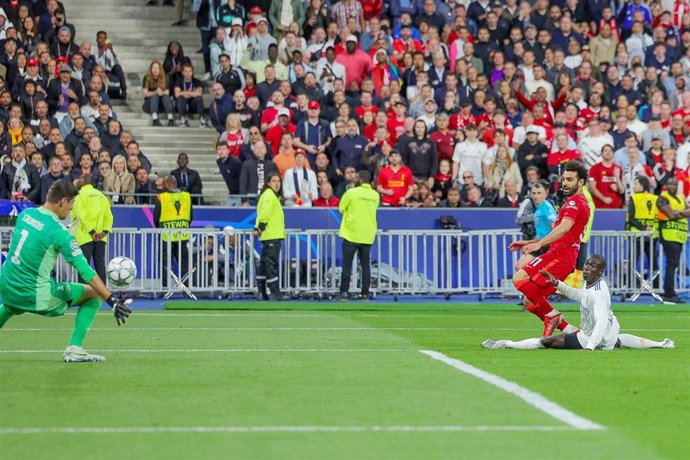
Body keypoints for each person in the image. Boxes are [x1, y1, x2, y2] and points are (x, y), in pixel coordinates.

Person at [0, 180, 131, 362]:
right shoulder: (61, 234)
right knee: (94, 293)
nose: (70, 211)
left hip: (5, 288)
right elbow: (86, 272)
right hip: (35, 295)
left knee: (11, 304)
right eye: (70, 205)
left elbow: (38, 237)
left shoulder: (25, 215)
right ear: (62, 201)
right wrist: (112, 300)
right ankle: (75, 349)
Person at [482, 255, 674, 351]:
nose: (586, 267)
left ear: (600, 272)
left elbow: (598, 321)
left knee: (547, 342)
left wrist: (589, 346)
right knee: (616, 340)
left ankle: (505, 343)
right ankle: (660, 344)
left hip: (592, 336)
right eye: (587, 264)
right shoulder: (592, 284)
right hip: (609, 328)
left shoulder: (599, 293)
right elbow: (579, 295)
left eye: (592, 266)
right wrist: (557, 283)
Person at [508, 161, 591, 337]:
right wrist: (531, 241)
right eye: (563, 179)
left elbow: (564, 228)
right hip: (557, 254)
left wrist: (538, 245)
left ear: (581, 182)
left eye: (570, 179)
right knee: (528, 300)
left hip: (561, 258)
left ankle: (553, 316)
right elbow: (560, 232)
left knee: (519, 278)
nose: (565, 183)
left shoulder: (576, 202)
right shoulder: (573, 201)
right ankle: (570, 331)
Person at [337, 170, 379, 301]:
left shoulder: (351, 193)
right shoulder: (375, 195)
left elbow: (341, 208)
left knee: (347, 265)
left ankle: (344, 292)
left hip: (351, 233)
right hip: (367, 234)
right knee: (366, 266)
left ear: (359, 179)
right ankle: (364, 293)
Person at [253, 172, 289, 301]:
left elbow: (261, 213)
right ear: (268, 183)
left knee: (264, 264)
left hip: (268, 235)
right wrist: (260, 227)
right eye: (274, 181)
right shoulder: (269, 196)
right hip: (272, 235)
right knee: (271, 264)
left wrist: (257, 227)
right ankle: (275, 292)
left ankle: (262, 292)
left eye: (278, 181)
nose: (277, 184)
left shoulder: (269, 195)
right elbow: (265, 214)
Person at [71, 174, 113, 283]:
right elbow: (109, 216)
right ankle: (102, 293)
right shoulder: (102, 196)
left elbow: (82, 215)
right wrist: (104, 232)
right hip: (100, 237)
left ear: (84, 181)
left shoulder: (80, 196)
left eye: (79, 179)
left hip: (85, 236)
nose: (77, 181)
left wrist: (92, 232)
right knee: (100, 265)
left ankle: (83, 293)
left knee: (84, 266)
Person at [154, 176, 192, 289]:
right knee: (184, 263)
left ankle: (165, 288)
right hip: (183, 234)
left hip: (166, 235)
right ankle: (186, 288)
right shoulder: (186, 196)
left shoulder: (162, 197)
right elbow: (190, 216)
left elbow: (156, 216)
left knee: (165, 263)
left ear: (165, 185)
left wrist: (160, 228)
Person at [656, 178, 690, 304]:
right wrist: (682, 213)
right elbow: (671, 215)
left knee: (673, 264)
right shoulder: (662, 197)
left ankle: (670, 292)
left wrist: (679, 212)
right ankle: (669, 293)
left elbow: (687, 211)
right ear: (666, 185)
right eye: (670, 183)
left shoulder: (681, 198)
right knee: (671, 264)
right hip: (668, 234)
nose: (673, 186)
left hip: (679, 236)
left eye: (675, 184)